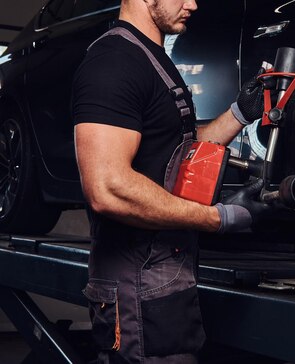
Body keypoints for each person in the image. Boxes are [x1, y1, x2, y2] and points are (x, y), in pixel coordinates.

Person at [72, 0, 268, 362]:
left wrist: (240, 114)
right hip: (134, 290)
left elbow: (175, 149)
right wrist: (218, 218)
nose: (193, 3)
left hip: (165, 281)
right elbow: (107, 188)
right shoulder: (114, 61)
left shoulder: (153, 58)